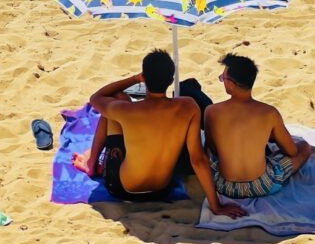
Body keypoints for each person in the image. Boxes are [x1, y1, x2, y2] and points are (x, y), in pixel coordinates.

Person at [76, 48, 245, 218]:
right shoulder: (189, 107)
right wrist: (216, 205)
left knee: (114, 105)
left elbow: (97, 97)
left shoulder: (127, 110)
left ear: (144, 79)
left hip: (123, 189)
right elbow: (198, 159)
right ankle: (95, 161)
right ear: (171, 80)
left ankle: (91, 164)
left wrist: (135, 78)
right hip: (162, 189)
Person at [203, 52, 312, 199]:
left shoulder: (211, 112)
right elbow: (292, 151)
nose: (223, 81)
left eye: (223, 78)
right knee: (304, 147)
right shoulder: (269, 113)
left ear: (231, 83)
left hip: (224, 185)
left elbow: (213, 149)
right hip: (263, 185)